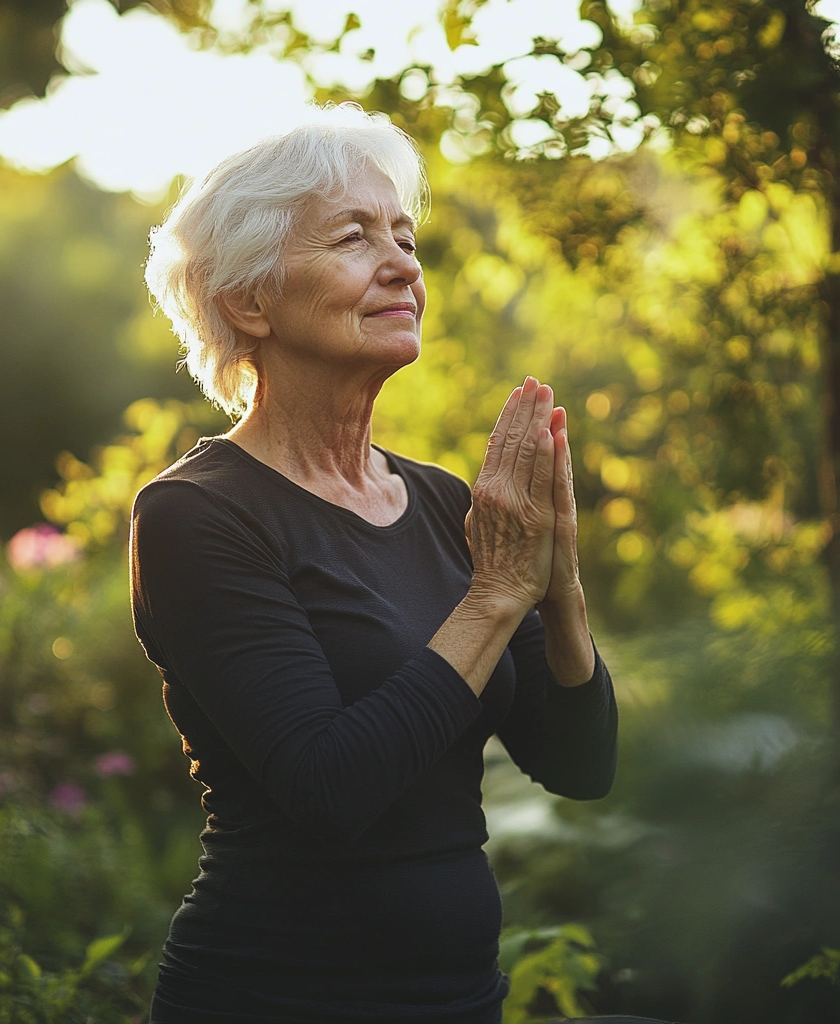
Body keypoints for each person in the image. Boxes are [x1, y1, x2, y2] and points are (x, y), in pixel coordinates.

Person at [129, 102, 619, 1024]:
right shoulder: (196, 516)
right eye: (355, 238)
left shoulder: (438, 502)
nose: (403, 265)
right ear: (249, 300)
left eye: (404, 235)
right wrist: (496, 596)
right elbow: (329, 788)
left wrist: (558, 583)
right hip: (276, 998)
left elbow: (579, 762)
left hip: (460, 1001)